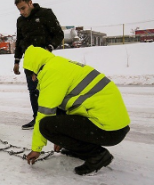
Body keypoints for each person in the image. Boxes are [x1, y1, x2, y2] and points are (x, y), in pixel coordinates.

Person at [23, 45, 130, 175]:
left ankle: (98, 155)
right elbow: (72, 106)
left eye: (31, 74)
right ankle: (78, 149)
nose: (33, 79)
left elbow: (44, 115)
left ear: (35, 68)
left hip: (109, 130)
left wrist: (36, 149)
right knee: (59, 114)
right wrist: (63, 139)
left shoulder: (52, 73)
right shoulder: (60, 64)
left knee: (46, 125)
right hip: (115, 126)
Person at [13, 0, 64, 130]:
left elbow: (59, 34)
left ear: (30, 3)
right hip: (30, 61)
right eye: (19, 9)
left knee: (50, 89)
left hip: (46, 59)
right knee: (34, 91)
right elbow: (19, 41)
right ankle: (38, 118)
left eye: (23, 8)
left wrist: (49, 48)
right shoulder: (20, 21)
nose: (22, 12)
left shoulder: (45, 14)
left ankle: (58, 119)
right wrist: (16, 61)